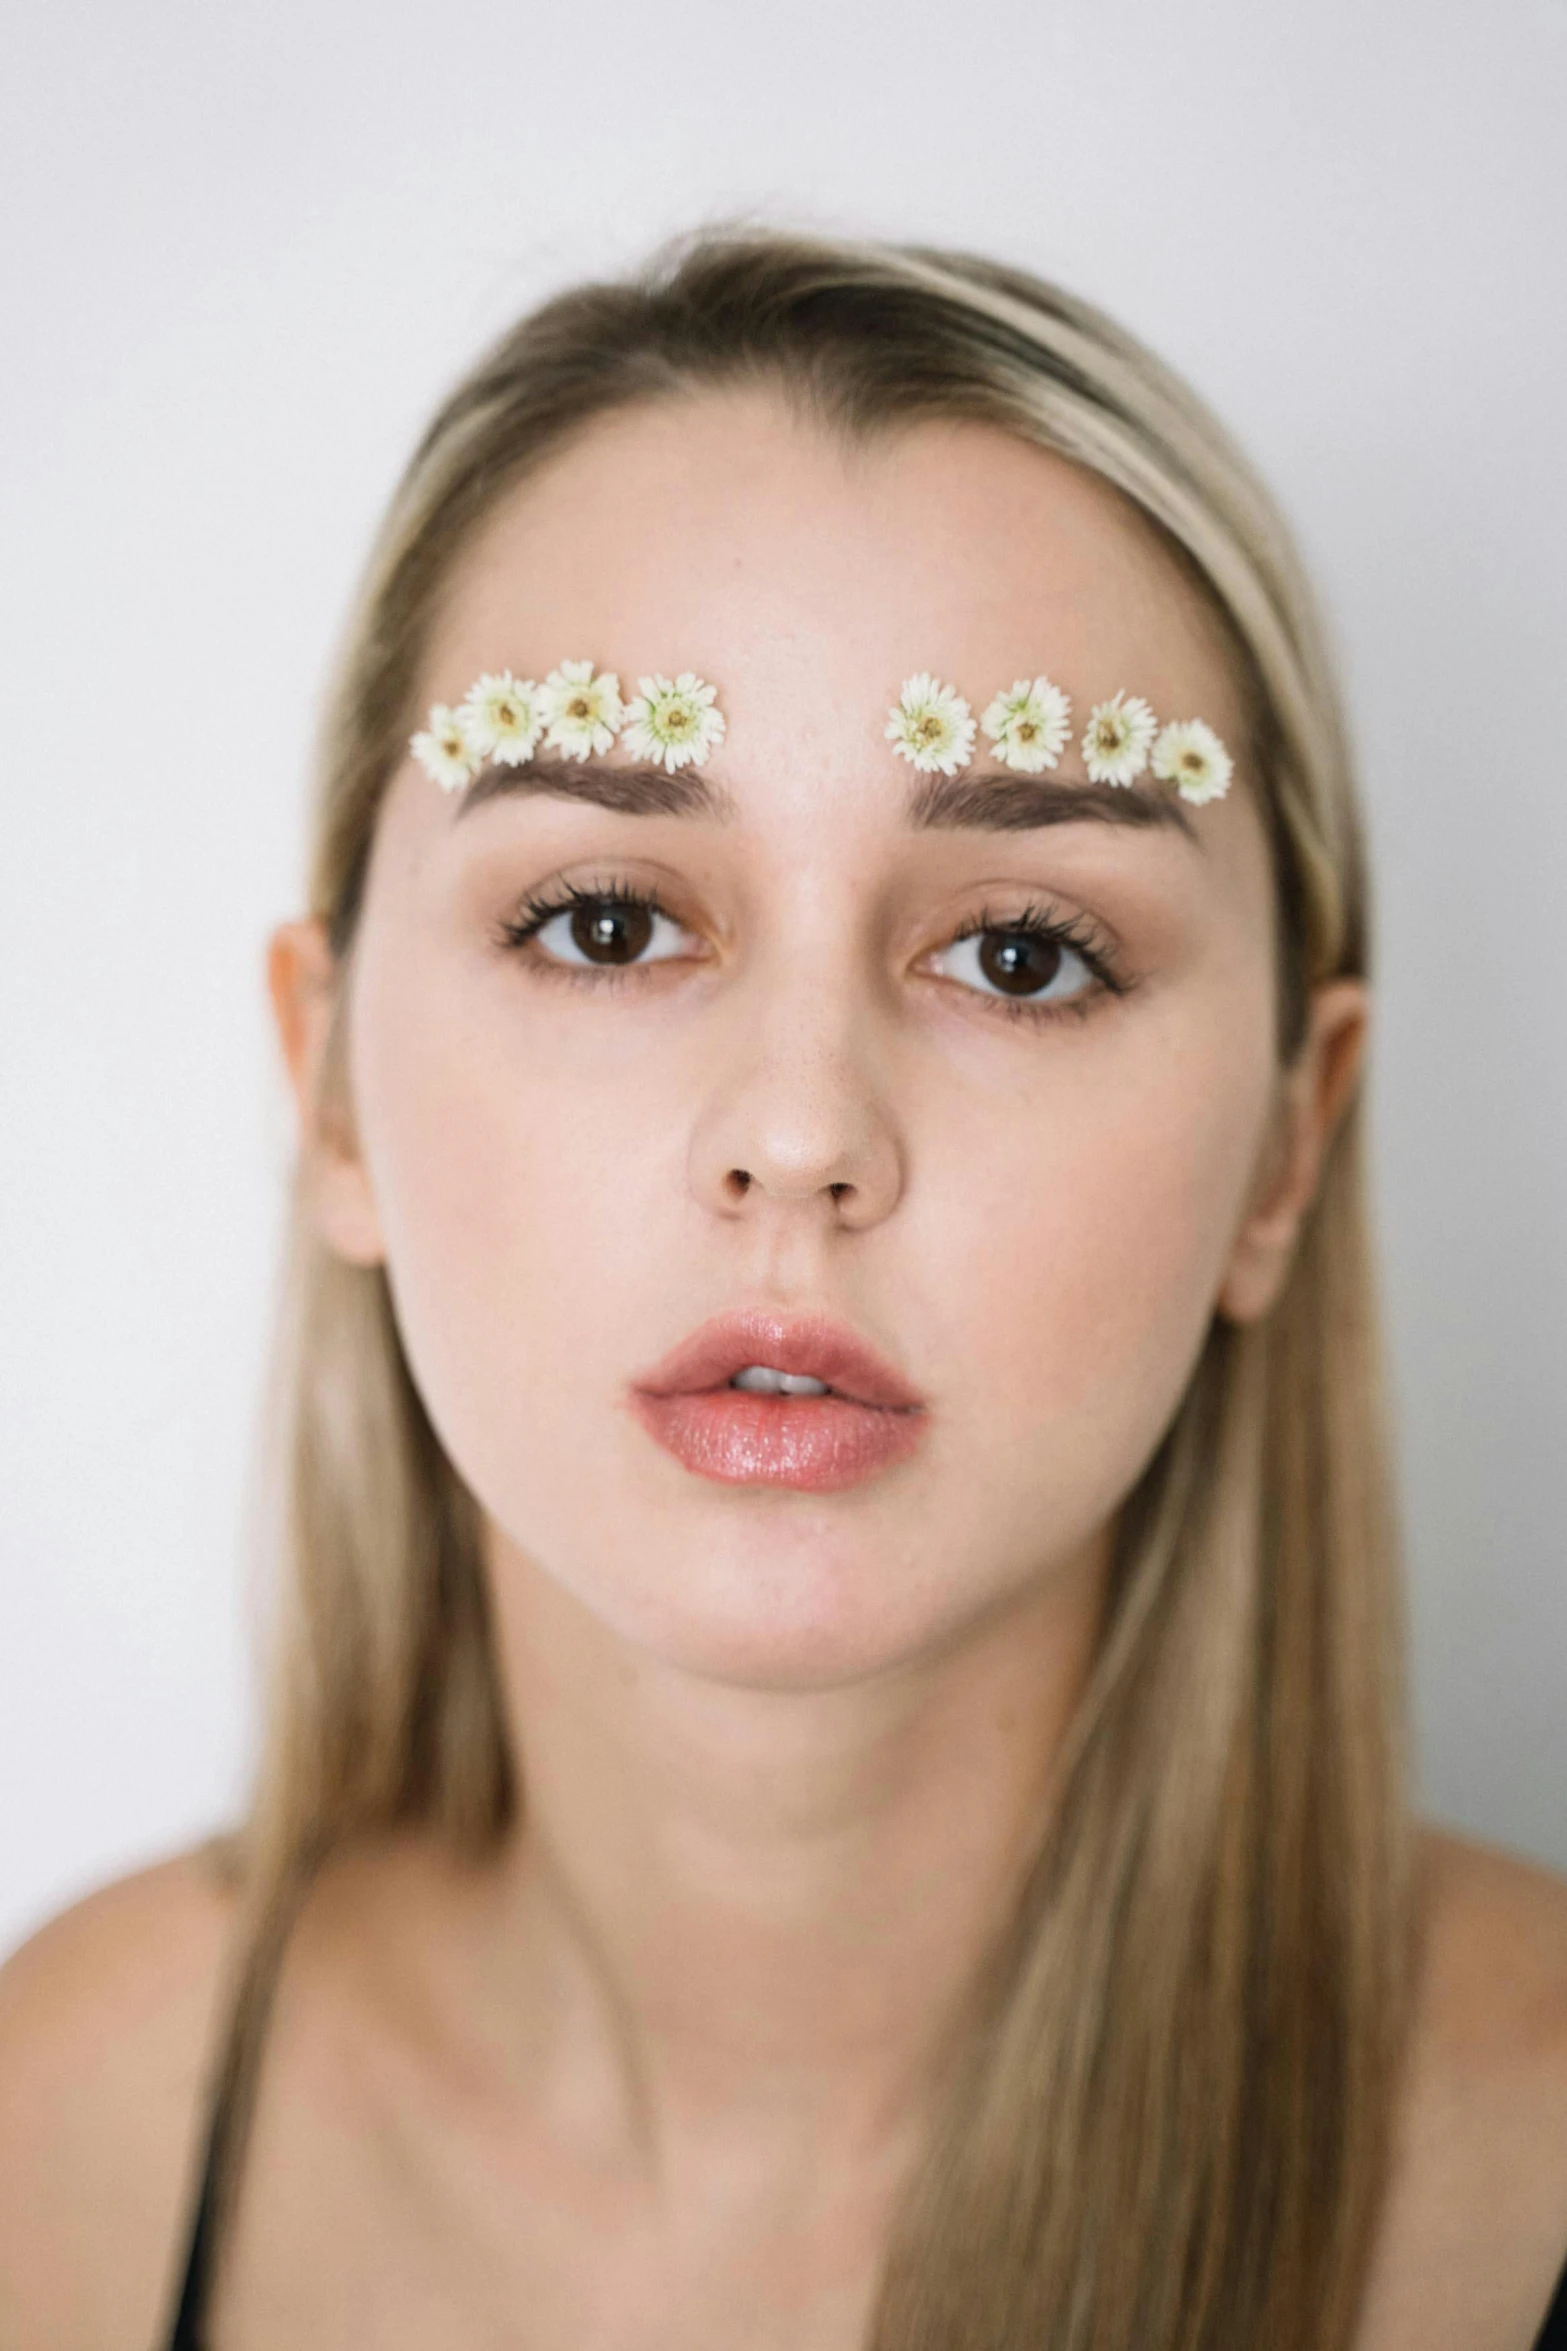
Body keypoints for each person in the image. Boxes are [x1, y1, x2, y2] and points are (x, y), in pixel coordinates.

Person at [1, 226, 1564, 2351]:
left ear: (1290, 1141)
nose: (803, 1130)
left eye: (1024, 950)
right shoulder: (68, 2127)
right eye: (610, 923)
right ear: (333, 1084)